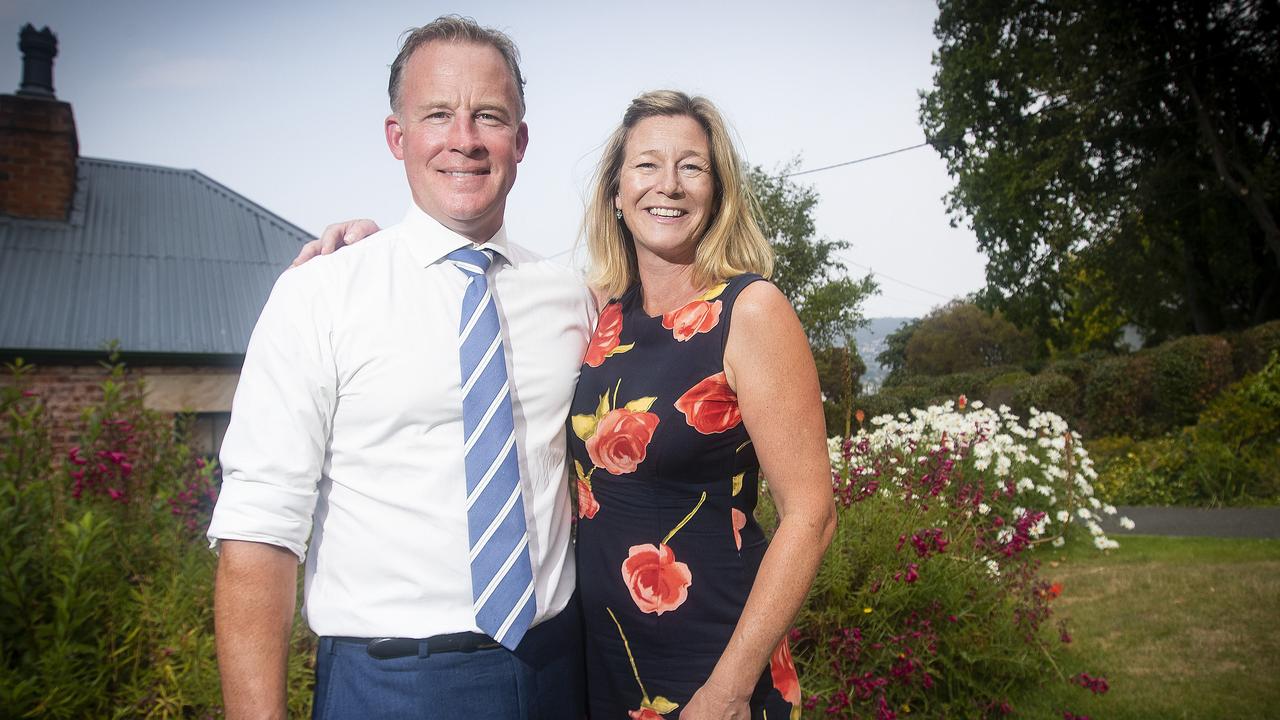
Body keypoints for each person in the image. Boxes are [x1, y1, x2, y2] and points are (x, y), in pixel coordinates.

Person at [305, 90, 836, 720]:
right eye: (646, 165)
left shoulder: (750, 311)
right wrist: (372, 248)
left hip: (712, 662)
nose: (667, 185)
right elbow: (494, 290)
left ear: (717, 191)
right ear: (615, 190)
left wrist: (727, 693)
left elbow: (812, 515)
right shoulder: (601, 314)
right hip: (597, 664)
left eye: (691, 167)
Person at [207, 16, 595, 720]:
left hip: (558, 672)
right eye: (437, 115)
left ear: (522, 140)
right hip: (390, 687)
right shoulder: (321, 294)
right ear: (398, 138)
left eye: (490, 116)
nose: (465, 139)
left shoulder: (571, 298)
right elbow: (260, 531)